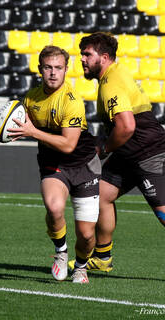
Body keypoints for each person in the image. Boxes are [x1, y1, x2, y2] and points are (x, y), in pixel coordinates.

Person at [69, 32, 165, 272]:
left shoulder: (110, 83)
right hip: (129, 154)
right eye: (81, 54)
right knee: (101, 194)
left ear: (103, 57)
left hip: (147, 154)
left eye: (87, 54)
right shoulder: (113, 75)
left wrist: (104, 147)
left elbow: (127, 126)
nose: (82, 59)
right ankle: (102, 257)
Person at [8, 46, 101, 283]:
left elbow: (69, 145)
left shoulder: (72, 101)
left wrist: (32, 132)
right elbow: (21, 126)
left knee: (87, 236)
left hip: (84, 165)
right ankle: (61, 252)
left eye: (58, 68)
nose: (53, 73)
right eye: (48, 67)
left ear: (66, 70)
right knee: (54, 207)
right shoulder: (30, 98)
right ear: (40, 69)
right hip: (53, 164)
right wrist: (14, 131)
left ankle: (80, 267)